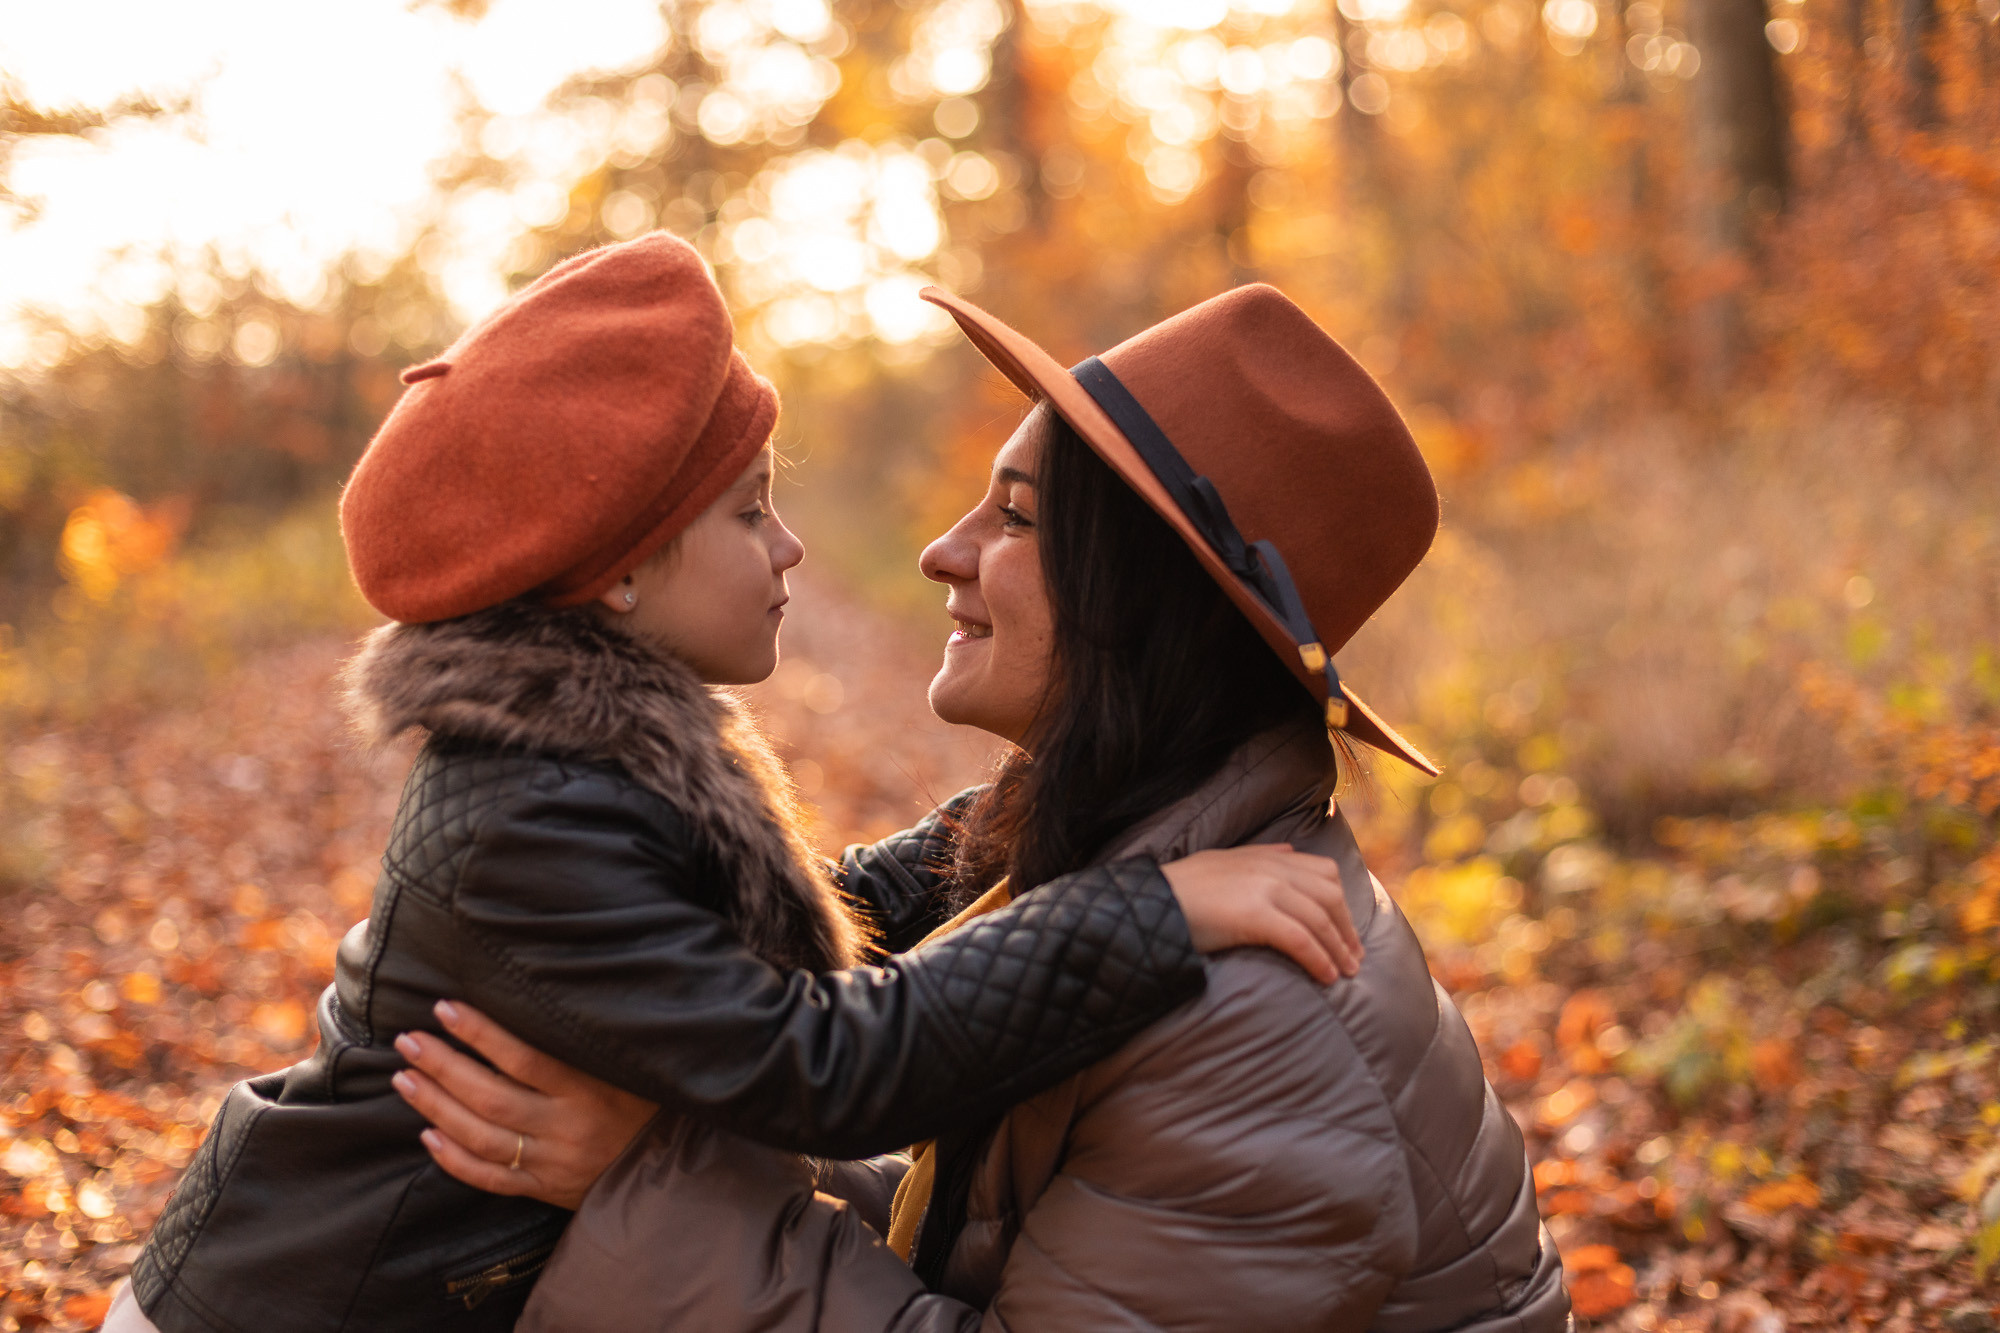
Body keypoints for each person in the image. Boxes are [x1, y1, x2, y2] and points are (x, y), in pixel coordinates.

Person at [106, 235, 1366, 1333]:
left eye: (1017, 521)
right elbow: (822, 1059)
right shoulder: (529, 812)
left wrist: (998, 842)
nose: (791, 547)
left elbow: (781, 921)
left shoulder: (575, 760)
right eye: (750, 512)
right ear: (612, 575)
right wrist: (1148, 909)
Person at [398, 282, 1573, 1331]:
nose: (938, 552)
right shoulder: (1109, 856)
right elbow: (973, 1239)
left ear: (1146, 610)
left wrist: (646, 1182)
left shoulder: (1259, 1022)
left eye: (1012, 518)